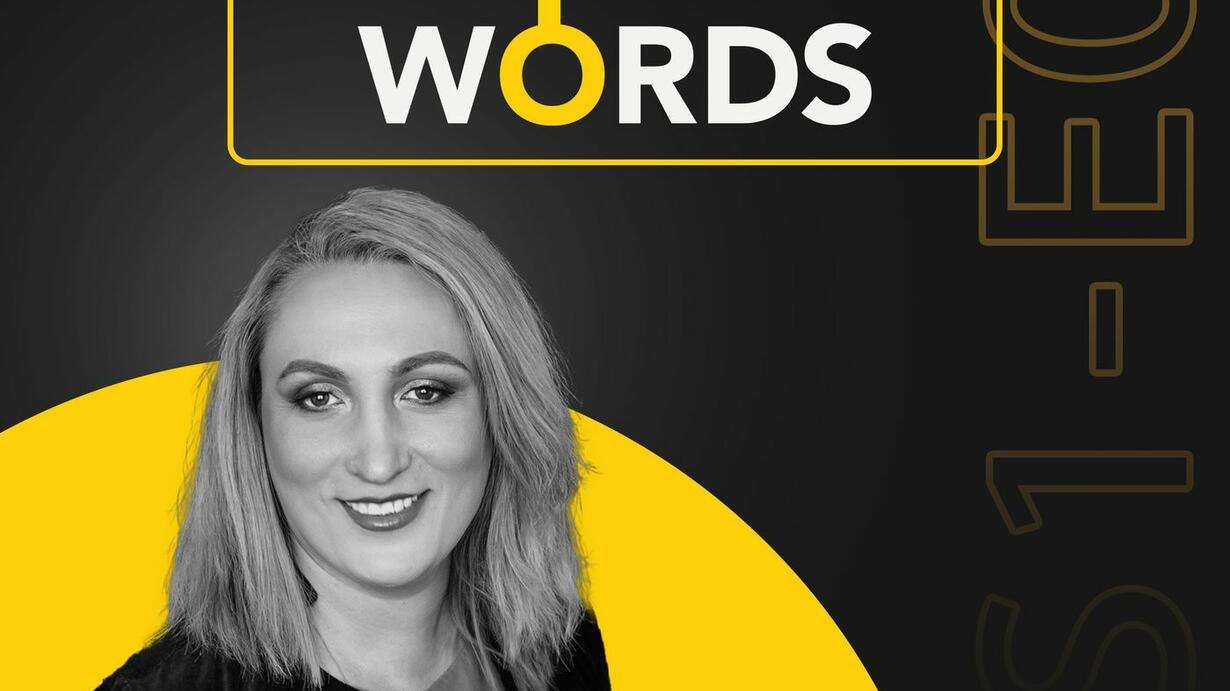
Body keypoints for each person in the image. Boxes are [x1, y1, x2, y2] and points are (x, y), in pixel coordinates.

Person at [98, 188, 609, 691]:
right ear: (254, 430)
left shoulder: (563, 654)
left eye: (425, 392)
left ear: (502, 413)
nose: (379, 462)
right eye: (320, 398)